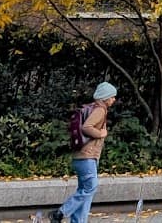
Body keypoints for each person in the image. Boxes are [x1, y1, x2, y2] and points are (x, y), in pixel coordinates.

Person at [52, 82, 115, 223]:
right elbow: (87, 127)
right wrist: (101, 133)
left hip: (82, 156)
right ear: (105, 98)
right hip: (87, 156)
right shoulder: (100, 110)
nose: (114, 100)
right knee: (91, 187)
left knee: (86, 193)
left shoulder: (92, 108)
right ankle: (60, 213)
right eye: (112, 97)